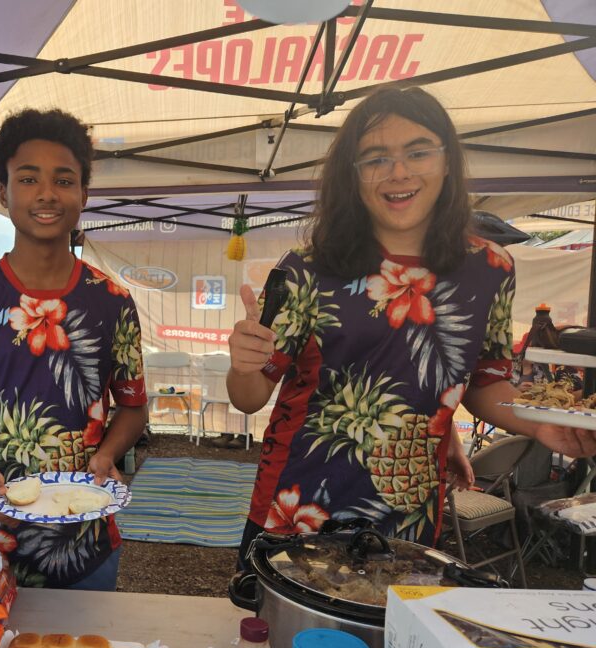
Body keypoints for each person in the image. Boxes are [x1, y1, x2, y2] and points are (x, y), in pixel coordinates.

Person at [227, 85, 596, 551]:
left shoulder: (491, 268)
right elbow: (249, 396)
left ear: (447, 161)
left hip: (410, 507)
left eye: (418, 152)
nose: (398, 172)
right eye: (375, 158)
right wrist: (243, 365)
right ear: (353, 174)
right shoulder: (308, 268)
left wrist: (538, 423)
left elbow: (486, 381)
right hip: (297, 503)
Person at [0, 108, 148, 589]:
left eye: (64, 180)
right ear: (4, 194)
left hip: (86, 543)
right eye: (28, 179)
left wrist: (107, 454)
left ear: (83, 195)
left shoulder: (112, 302)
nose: (47, 194)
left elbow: (134, 408)